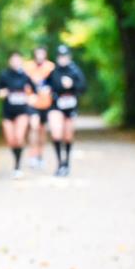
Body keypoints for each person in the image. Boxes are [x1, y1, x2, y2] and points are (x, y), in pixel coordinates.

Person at [0, 51, 36, 178]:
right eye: (13, 60)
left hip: (22, 111)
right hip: (7, 112)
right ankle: (16, 158)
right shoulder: (4, 75)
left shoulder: (25, 76)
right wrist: (3, 93)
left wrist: (30, 98)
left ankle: (17, 166)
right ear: (9, 61)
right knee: (11, 140)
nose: (16, 62)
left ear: (21, 61)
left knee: (19, 137)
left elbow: (34, 92)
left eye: (18, 60)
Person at [46, 45, 87, 176]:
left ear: (69, 57)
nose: (62, 59)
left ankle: (67, 163)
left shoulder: (75, 71)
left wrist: (72, 84)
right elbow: (45, 85)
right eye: (60, 56)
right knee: (56, 134)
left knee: (68, 136)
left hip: (70, 107)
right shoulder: (53, 72)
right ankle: (59, 163)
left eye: (65, 56)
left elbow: (83, 88)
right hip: (56, 106)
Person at [23, 46, 55, 169]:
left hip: (46, 104)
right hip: (32, 103)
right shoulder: (27, 67)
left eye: (42, 53)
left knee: (42, 131)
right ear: (35, 54)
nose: (40, 56)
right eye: (38, 53)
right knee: (34, 126)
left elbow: (55, 83)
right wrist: (27, 96)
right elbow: (22, 82)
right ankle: (32, 156)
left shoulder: (51, 67)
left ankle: (40, 156)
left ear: (45, 55)